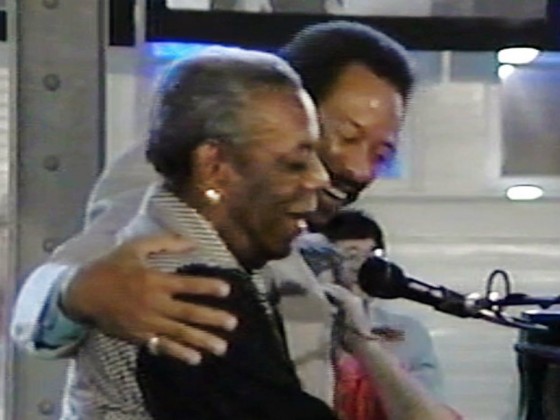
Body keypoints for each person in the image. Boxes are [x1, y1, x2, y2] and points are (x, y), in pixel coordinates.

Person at [12, 21, 456, 419]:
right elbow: (45, 295)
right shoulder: (177, 192)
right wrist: (76, 293)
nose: (361, 169)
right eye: (346, 137)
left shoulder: (298, 233)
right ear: (288, 106)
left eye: (382, 154)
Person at [58, 46, 338, 418]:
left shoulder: (156, 254)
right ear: (215, 166)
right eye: (295, 162)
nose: (320, 178)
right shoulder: (193, 291)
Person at [321, 209, 447, 418]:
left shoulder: (406, 331)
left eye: (372, 255)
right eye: (350, 255)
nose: (363, 267)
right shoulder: (296, 327)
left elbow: (430, 407)